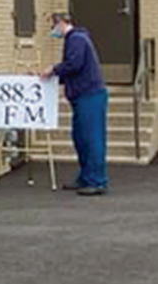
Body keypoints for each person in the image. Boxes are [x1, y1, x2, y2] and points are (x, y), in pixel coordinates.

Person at [41, 13, 108, 196]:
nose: (52, 31)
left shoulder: (76, 39)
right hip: (82, 96)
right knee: (81, 138)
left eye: (53, 26)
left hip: (90, 95)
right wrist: (53, 77)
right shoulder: (75, 39)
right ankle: (86, 177)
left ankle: (97, 180)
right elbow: (72, 69)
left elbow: (74, 64)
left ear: (62, 23)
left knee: (92, 138)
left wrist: (53, 70)